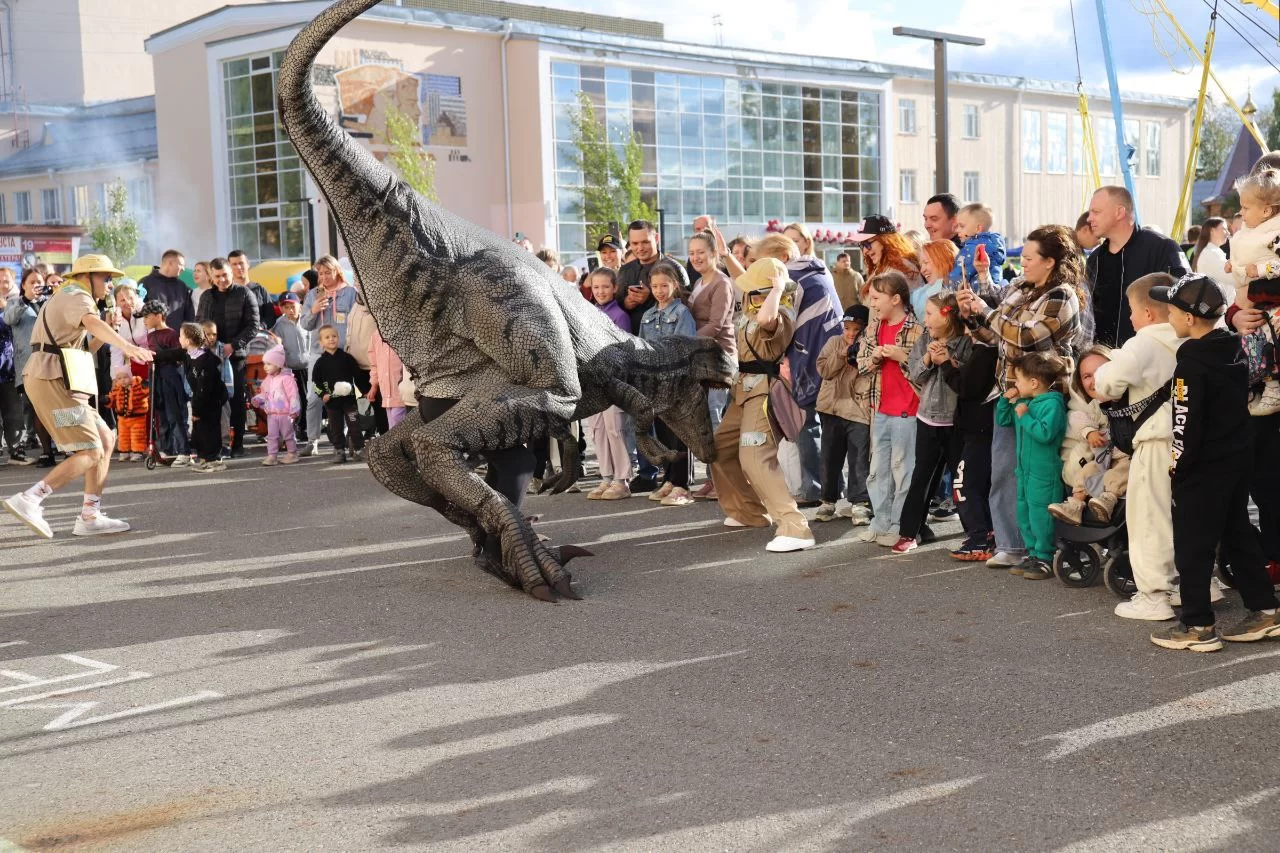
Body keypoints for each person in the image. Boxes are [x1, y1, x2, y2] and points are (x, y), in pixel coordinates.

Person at [1149, 274, 1280, 652]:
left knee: (1193, 545)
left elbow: (1184, 423)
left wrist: (1177, 468)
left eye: (1172, 311)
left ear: (1189, 318)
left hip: (1202, 469)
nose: (1168, 316)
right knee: (1237, 534)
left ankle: (1197, 625)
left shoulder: (1190, 365)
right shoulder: (1235, 347)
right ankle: (1266, 610)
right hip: (1237, 460)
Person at [957, 224, 1084, 570]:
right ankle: (1011, 544)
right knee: (1006, 471)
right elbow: (998, 337)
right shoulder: (1020, 287)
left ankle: (1049, 548)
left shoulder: (1062, 296)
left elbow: (1027, 337)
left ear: (1050, 261)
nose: (1022, 262)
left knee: (1042, 478)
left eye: (1029, 257)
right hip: (1011, 393)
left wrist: (985, 311)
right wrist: (972, 317)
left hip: (1045, 398)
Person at [3, 254, 154, 539]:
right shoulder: (77, 294)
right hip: (51, 379)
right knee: (91, 449)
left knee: (106, 439)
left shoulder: (70, 296)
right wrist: (127, 346)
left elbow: (81, 351)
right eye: (106, 278)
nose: (109, 285)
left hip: (54, 377)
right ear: (88, 276)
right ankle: (30, 499)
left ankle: (90, 515)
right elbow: (90, 324)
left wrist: (110, 331)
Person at [711, 258, 814, 552]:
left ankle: (796, 528)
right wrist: (726, 254)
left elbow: (767, 320)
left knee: (755, 458)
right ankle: (749, 511)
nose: (747, 293)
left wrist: (778, 289)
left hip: (763, 394)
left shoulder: (780, 312)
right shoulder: (754, 303)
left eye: (756, 289)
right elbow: (745, 280)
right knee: (718, 448)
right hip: (742, 391)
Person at [894, 292, 971, 553]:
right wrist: (928, 358)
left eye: (929, 314)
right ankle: (909, 531)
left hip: (956, 422)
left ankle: (976, 531)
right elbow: (914, 373)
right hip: (927, 419)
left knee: (962, 479)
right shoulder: (925, 339)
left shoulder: (965, 341)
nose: (924, 319)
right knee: (922, 478)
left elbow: (967, 379)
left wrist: (948, 360)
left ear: (946, 316)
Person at [775, 226, 844, 507]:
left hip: (812, 360)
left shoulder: (796, 278)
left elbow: (779, 322)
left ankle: (819, 489)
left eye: (794, 240)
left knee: (811, 425)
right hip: (823, 355)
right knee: (823, 426)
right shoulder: (818, 270)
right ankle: (831, 489)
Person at [855, 271, 923, 547]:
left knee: (903, 471)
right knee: (877, 472)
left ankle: (899, 526)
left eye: (876, 298)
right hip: (880, 410)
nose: (871, 304)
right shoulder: (874, 327)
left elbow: (926, 372)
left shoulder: (917, 329)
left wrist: (902, 356)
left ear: (895, 299)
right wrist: (874, 358)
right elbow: (861, 364)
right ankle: (880, 523)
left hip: (908, 412)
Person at [1086, 185, 1189, 347]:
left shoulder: (1163, 248)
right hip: (1103, 355)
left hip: (1151, 353)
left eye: (1096, 212)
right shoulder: (1095, 259)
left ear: (1119, 212)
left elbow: (1186, 298)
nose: (1089, 218)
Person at [996, 353, 1068, 580]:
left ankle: (1045, 556)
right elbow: (1004, 420)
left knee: (1040, 515)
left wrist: (1025, 417)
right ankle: (1033, 553)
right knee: (1024, 513)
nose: (1015, 384)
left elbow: (1045, 434)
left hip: (1044, 473)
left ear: (1034, 383)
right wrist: (1004, 402)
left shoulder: (1052, 404)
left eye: (1018, 380)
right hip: (1025, 472)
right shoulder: (1025, 403)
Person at [1049, 346, 1129, 527]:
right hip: (1103, 457)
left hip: (1125, 457)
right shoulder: (1094, 406)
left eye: (1102, 371)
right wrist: (1089, 432)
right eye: (1087, 376)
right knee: (1087, 471)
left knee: (1122, 471)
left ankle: (1108, 499)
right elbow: (1081, 419)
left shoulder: (1133, 400)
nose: (1096, 380)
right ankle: (1075, 505)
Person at [639, 261, 697, 507]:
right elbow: (641, 347)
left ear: (675, 285)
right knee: (663, 434)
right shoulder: (648, 315)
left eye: (664, 285)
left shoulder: (682, 313)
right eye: (655, 286)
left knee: (680, 434)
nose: (659, 291)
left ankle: (682, 484)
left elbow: (686, 346)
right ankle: (670, 479)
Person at [1223, 169, 1280, 415]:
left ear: (1266, 211)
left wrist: (1260, 270)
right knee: (1249, 346)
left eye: (1245, 208)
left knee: (1269, 343)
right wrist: (1233, 266)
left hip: (1269, 308)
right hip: (1252, 308)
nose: (1241, 213)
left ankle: (1273, 387)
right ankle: (1251, 386)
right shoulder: (1248, 234)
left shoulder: (1274, 235)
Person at [197, 256, 261, 457]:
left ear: (231, 273)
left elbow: (253, 326)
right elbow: (199, 323)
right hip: (211, 356)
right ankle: (217, 443)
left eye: (225, 275)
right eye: (217, 276)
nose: (222, 280)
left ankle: (238, 444)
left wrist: (233, 345)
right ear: (211, 276)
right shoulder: (206, 297)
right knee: (213, 400)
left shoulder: (244, 293)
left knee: (236, 400)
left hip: (236, 355)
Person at [299, 255, 358, 455]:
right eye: (320, 273)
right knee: (314, 397)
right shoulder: (313, 294)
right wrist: (314, 310)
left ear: (337, 271)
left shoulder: (349, 293)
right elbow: (305, 324)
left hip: (343, 353)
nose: (324, 277)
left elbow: (356, 321)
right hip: (318, 353)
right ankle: (312, 440)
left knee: (344, 396)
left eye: (327, 272)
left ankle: (346, 438)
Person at [584, 267, 633, 500]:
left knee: (616, 430)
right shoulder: (588, 312)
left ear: (615, 288)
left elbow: (623, 352)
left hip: (613, 382)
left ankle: (621, 480)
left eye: (605, 286)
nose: (600, 291)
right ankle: (606, 477)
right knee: (598, 431)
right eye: (596, 287)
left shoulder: (620, 316)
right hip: (593, 383)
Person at [686, 230, 736, 437]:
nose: (695, 257)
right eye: (691, 253)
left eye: (700, 252)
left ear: (714, 253)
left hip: (719, 358)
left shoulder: (721, 283)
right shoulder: (699, 282)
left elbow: (716, 325)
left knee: (713, 414)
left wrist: (684, 342)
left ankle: (717, 459)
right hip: (702, 355)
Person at [138, 300, 189, 466]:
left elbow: (181, 354)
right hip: (156, 379)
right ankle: (167, 450)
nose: (144, 320)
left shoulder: (172, 334)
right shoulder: (150, 336)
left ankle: (184, 451)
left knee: (175, 415)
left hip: (170, 378)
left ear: (159, 316)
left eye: (147, 316)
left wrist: (158, 356)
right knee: (162, 417)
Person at [175, 321, 228, 473]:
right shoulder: (189, 355)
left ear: (188, 341)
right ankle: (205, 459)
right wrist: (154, 355)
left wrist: (197, 410)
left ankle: (214, 461)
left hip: (211, 400)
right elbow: (172, 354)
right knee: (200, 432)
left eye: (181, 336)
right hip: (201, 399)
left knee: (210, 431)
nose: (179, 339)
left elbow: (203, 388)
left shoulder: (205, 360)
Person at [4, 268, 45, 465]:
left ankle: (62, 445)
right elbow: (9, 319)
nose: (37, 285)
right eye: (32, 282)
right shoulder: (15, 303)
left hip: (52, 362)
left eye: (40, 282)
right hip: (27, 365)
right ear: (23, 285)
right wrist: (26, 299)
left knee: (54, 406)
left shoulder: (49, 302)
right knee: (32, 407)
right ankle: (43, 448)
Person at [311, 324, 366, 464]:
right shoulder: (320, 363)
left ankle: (359, 449)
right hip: (332, 403)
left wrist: (365, 391)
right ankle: (339, 450)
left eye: (334, 336)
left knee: (354, 424)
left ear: (338, 338)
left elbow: (358, 376)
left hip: (349, 401)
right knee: (336, 428)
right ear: (321, 342)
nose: (331, 339)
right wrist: (323, 394)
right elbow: (315, 383)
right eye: (327, 337)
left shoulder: (347, 358)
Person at [251, 345, 300, 466]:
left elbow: (293, 395)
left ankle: (292, 453)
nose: (265, 367)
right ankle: (272, 455)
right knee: (272, 436)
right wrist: (259, 399)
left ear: (278, 364)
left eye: (269, 364)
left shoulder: (287, 379)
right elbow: (265, 394)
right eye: (265, 363)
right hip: (272, 414)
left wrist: (294, 409)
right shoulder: (268, 379)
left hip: (285, 413)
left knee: (288, 435)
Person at [851, 215, 923, 296]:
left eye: (867, 244)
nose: (865, 251)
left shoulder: (900, 269)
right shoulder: (884, 267)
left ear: (886, 240)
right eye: (862, 245)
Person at [271, 292, 310, 442]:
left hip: (309, 366)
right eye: (286, 307)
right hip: (291, 369)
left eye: (292, 306)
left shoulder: (307, 320)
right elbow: (276, 347)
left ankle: (308, 426)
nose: (290, 310)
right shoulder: (279, 325)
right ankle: (299, 427)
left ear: (300, 305)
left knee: (310, 398)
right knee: (296, 400)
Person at [139, 249, 194, 333]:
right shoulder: (145, 283)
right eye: (181, 265)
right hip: (153, 337)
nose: (183, 269)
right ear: (170, 263)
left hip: (178, 338)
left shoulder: (182, 287)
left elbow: (189, 315)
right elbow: (138, 310)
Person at [951, 203, 1007, 286]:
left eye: (962, 226)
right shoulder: (993, 245)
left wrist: (946, 285)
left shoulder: (972, 249)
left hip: (976, 291)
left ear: (978, 228)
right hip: (995, 289)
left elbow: (958, 276)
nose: (957, 230)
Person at [367, 327, 407, 429]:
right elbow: (374, 364)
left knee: (397, 418)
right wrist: (374, 385)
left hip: (401, 389)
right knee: (392, 424)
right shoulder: (376, 335)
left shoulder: (404, 331)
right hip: (386, 391)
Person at [227, 249, 274, 330]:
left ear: (248, 264)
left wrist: (261, 326)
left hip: (258, 334)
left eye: (241, 263)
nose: (238, 267)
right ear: (229, 268)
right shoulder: (225, 292)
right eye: (234, 264)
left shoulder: (260, 290)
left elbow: (271, 317)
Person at [914, 239, 959, 318]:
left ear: (943, 260)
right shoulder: (921, 295)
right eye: (921, 265)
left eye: (926, 262)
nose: (922, 270)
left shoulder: (962, 290)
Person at [1190, 216, 1232, 296]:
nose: (1228, 233)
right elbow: (1230, 278)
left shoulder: (1211, 251)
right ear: (1212, 230)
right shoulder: (1211, 253)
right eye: (1224, 229)